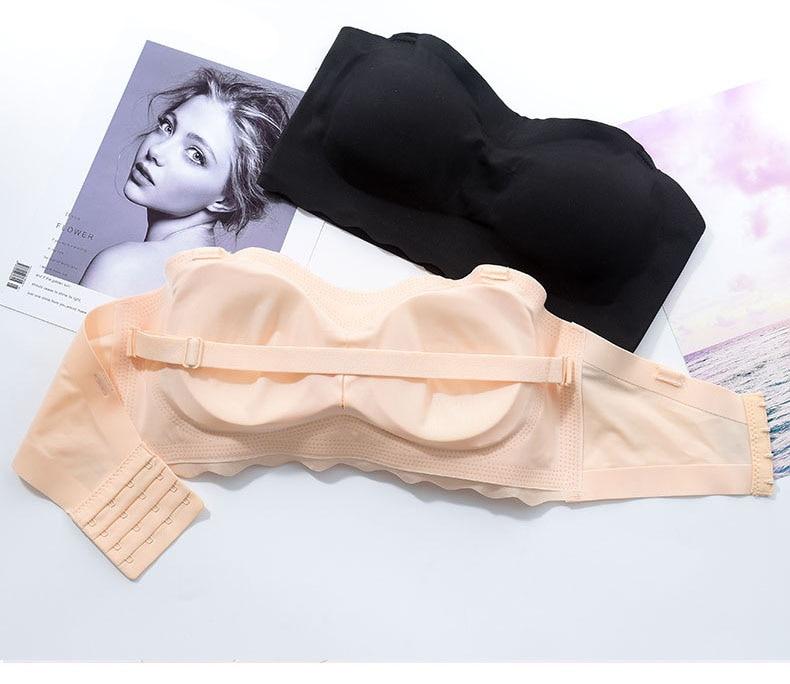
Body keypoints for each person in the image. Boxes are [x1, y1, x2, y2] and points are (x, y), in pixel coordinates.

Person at [80, 67, 291, 296]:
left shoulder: (121, 268)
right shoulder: (222, 288)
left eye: (195, 155)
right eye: (167, 127)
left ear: (228, 200)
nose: (156, 151)